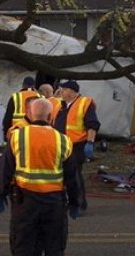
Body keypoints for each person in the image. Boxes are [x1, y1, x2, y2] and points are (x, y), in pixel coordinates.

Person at [0, 98, 79, 256]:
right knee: (54, 246)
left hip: (25, 201)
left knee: (23, 246)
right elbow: (72, 176)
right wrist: (75, 201)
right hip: (54, 203)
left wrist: (0, 193)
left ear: (31, 115)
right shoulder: (63, 140)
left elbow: (5, 169)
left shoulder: (17, 137)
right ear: (50, 116)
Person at [53, 80, 101, 213]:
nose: (61, 91)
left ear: (73, 92)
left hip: (76, 145)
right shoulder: (60, 105)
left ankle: (79, 204)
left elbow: (92, 124)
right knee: (60, 175)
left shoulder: (84, 104)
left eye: (64, 89)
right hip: (60, 145)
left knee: (74, 175)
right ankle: (65, 202)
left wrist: (90, 142)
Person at [1, 76, 42, 141]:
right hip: (36, 135)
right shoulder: (41, 98)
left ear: (23, 85)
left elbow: (7, 118)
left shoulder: (15, 97)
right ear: (34, 86)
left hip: (17, 134)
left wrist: (6, 134)